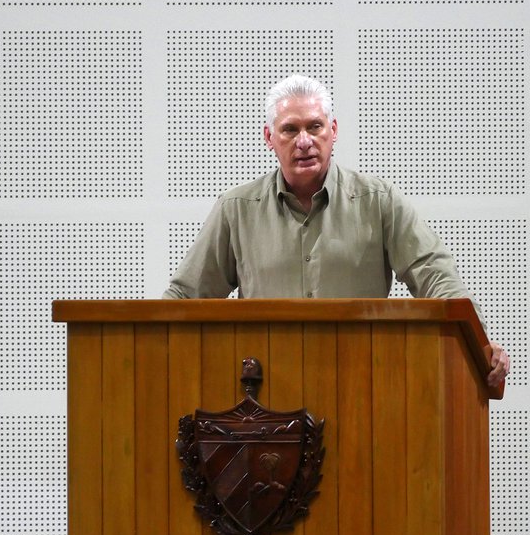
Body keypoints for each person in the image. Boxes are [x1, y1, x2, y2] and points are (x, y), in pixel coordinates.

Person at [164, 74, 509, 386]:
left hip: (363, 386)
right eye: (289, 129)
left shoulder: (378, 201)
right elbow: (185, 297)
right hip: (267, 400)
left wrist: (477, 342)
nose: (304, 141)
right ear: (269, 137)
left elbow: (434, 273)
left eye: (315, 127)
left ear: (334, 131)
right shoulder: (236, 209)